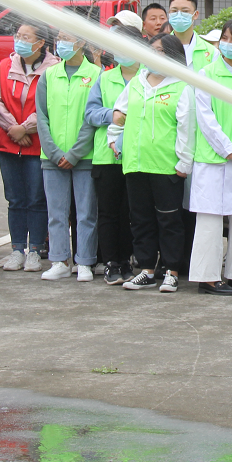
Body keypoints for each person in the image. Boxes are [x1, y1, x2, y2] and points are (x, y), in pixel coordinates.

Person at [113, 34, 194, 292]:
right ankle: (146, 269)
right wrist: (113, 140)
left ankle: (171, 270)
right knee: (140, 219)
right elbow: (119, 112)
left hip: (166, 166)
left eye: (160, 51)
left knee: (169, 220)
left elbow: (187, 128)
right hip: (136, 164)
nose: (153, 55)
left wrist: (183, 162)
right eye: (151, 50)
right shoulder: (137, 82)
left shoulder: (182, 86)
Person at [188, 19, 232, 295]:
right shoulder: (206, 74)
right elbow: (205, 116)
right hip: (212, 157)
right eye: (224, 39)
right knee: (210, 217)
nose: (228, 45)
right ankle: (207, 278)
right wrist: (226, 147)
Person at [35, 29, 101, 283]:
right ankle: (59, 260)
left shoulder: (95, 74)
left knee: (86, 213)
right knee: (56, 212)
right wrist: (52, 151)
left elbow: (92, 118)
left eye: (67, 37)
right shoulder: (49, 75)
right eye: (59, 38)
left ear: (82, 41)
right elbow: (42, 116)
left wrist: (75, 153)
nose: (61, 43)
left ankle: (84, 261)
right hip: (51, 157)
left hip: (84, 157)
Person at [84, 24, 144, 286]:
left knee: (131, 211)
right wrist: (113, 115)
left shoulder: (147, 77)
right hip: (106, 157)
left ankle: (128, 258)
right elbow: (90, 113)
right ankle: (111, 262)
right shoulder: (105, 77)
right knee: (108, 212)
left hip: (138, 155)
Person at [0, 23, 57, 272]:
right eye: (17, 35)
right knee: (15, 199)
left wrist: (27, 127)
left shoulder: (53, 68)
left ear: (40, 43)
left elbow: (49, 105)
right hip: (10, 143)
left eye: (25, 37)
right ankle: (17, 249)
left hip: (36, 143)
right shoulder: (5, 66)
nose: (19, 40)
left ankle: (35, 250)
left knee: (36, 199)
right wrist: (13, 128)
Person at [168, 0, 213, 69]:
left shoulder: (211, 52)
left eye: (185, 11)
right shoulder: (158, 48)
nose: (179, 15)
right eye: (174, 11)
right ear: (169, 13)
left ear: (195, 15)